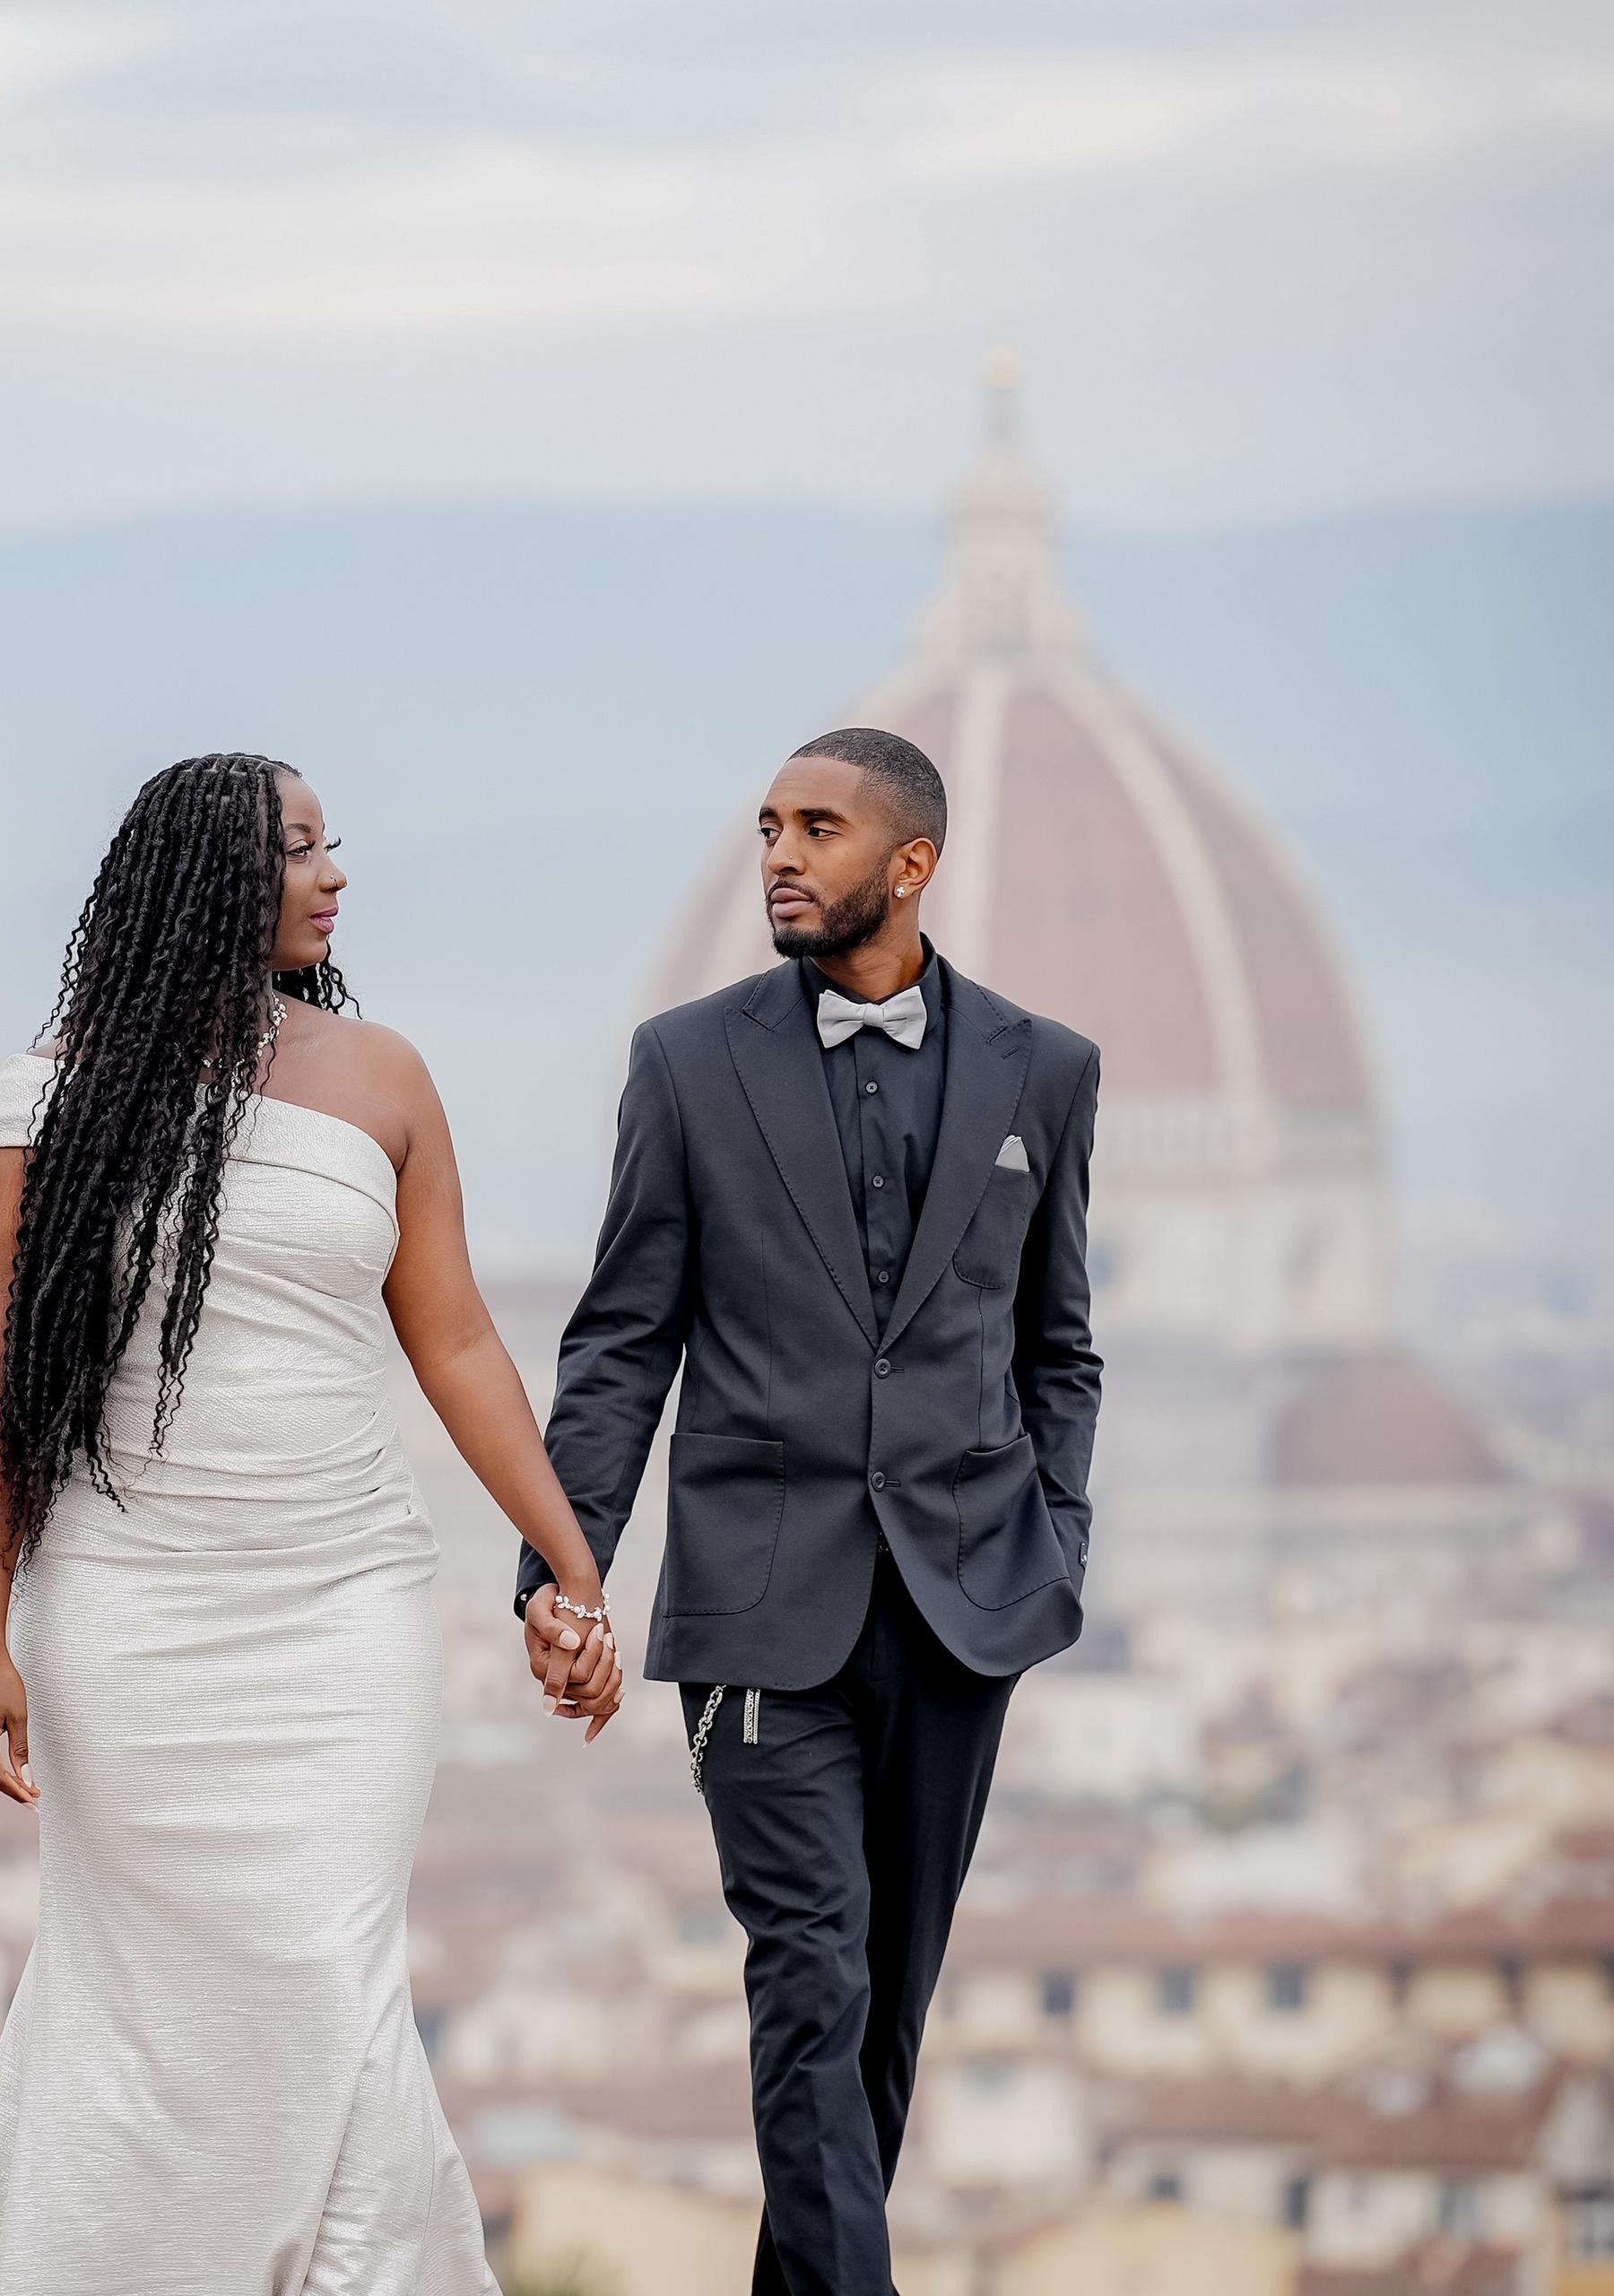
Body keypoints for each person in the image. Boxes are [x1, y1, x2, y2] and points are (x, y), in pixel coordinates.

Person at [0, 753, 620, 2296]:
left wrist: (570, 1558)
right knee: (139, 2005)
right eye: (297, 851)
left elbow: (457, 1342)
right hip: (125, 1608)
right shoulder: (38, 1103)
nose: (333, 875)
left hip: (344, 1609)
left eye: (332, 845)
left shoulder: (385, 1079)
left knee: (330, 1979)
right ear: (201, 887)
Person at [520, 728, 1103, 2294]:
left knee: (884, 2012)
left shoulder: (1047, 1071)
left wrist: (1055, 1542)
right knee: (808, 1976)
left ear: (911, 865)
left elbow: (1057, 1347)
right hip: (758, 1614)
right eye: (770, 825)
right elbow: (622, 1342)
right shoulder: (686, 1063)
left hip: (964, 1607)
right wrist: (561, 1569)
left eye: (818, 828)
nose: (778, 854)